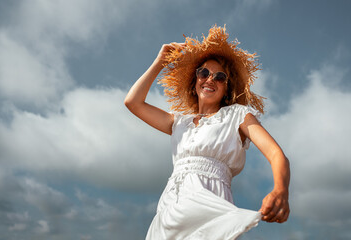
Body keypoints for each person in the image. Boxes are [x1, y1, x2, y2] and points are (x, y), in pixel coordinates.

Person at [124, 25, 290, 240]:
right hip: (171, 207)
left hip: (210, 205)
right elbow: (133, 102)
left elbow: (276, 154)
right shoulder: (179, 122)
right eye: (203, 73)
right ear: (195, 83)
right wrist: (159, 62)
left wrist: (280, 190)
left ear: (226, 88)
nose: (210, 79)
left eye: (219, 77)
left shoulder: (237, 115)